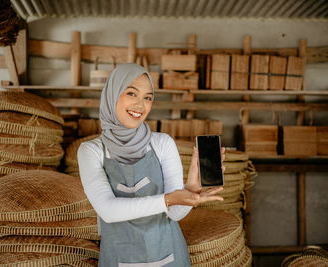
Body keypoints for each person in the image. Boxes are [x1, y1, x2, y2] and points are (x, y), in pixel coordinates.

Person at [78, 63, 225, 267]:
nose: (140, 105)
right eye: (131, 93)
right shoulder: (91, 151)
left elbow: (174, 214)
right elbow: (108, 211)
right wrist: (169, 199)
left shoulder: (162, 143)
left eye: (147, 97)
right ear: (111, 94)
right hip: (118, 258)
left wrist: (191, 190)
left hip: (169, 256)